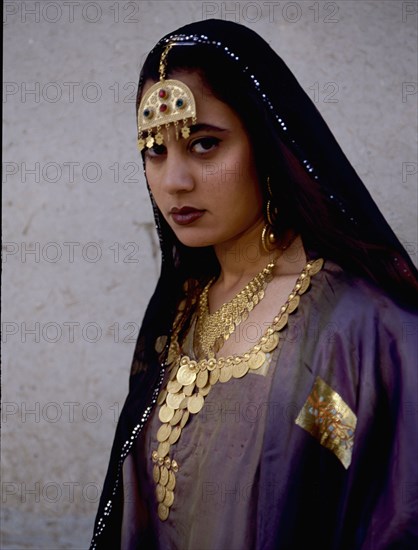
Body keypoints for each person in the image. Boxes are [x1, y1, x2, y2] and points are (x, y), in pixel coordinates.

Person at [90, 19, 418, 550]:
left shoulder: (351, 329)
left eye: (203, 145)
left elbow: (385, 502)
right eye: (155, 150)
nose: (174, 181)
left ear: (266, 146)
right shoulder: (181, 313)